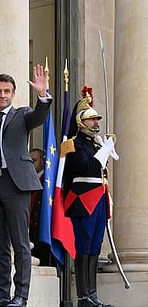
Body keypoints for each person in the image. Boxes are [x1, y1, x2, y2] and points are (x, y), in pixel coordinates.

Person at [0, 67, 51, 307]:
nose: (2, 95)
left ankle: (21, 296)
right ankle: (2, 295)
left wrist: (43, 95)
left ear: (13, 94)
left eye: (6, 91)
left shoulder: (22, 115)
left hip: (17, 187)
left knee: (20, 244)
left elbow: (39, 116)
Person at [61, 87, 117, 307]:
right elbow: (86, 168)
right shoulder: (73, 144)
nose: (95, 123)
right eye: (91, 119)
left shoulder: (95, 144)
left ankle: (92, 295)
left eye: (96, 119)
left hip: (99, 198)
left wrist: (104, 149)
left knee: (96, 245)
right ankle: (83, 297)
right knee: (84, 245)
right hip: (82, 199)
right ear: (81, 121)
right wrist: (103, 152)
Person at [28, 148, 55, 267]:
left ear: (43, 162)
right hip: (29, 230)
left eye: (33, 160)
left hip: (43, 229)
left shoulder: (47, 181)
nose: (30, 164)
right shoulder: (26, 180)